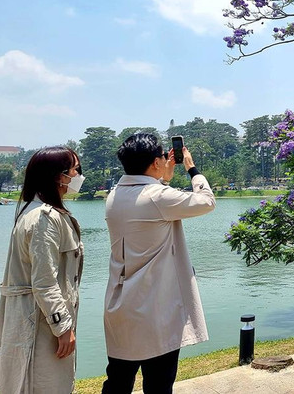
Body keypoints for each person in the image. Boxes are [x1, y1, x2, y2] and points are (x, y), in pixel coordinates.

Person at [102, 134, 216, 393]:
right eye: (164, 157)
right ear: (155, 162)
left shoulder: (114, 196)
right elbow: (207, 201)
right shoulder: (159, 197)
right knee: (158, 386)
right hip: (155, 310)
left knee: (118, 382)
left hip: (121, 307)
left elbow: (149, 198)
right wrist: (192, 168)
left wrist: (163, 176)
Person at [0, 147, 85, 393]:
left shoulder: (37, 211)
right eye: (76, 169)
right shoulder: (44, 218)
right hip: (39, 323)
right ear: (60, 176)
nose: (79, 175)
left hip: (38, 318)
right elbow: (45, 281)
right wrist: (63, 327)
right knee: (41, 383)